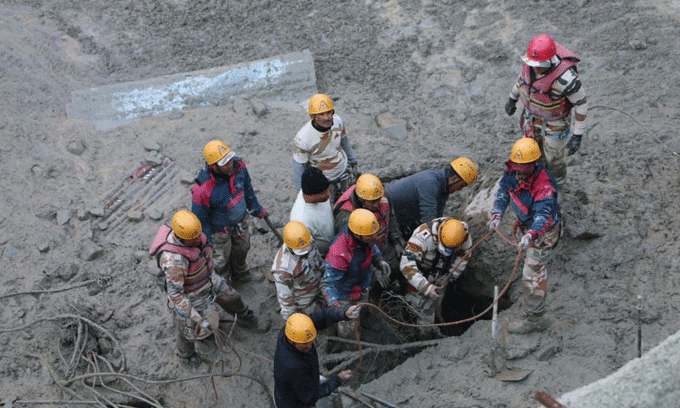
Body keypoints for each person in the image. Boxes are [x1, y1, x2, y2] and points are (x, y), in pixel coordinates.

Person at [149, 210, 258, 365]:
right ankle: (186, 355)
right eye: (192, 239)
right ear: (180, 237)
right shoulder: (174, 261)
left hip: (209, 280)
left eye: (197, 236)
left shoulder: (197, 235)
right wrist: (198, 319)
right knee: (186, 326)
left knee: (232, 297)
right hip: (190, 294)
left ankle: (245, 317)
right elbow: (176, 296)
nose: (197, 240)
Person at [488, 138, 562, 334]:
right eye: (516, 168)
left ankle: (535, 318)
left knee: (532, 274)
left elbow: (543, 215)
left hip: (543, 232)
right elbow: (504, 190)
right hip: (528, 222)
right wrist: (497, 213)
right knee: (531, 268)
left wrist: (531, 234)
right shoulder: (512, 170)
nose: (519, 173)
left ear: (535, 163)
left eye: (523, 169)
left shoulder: (544, 186)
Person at [505, 34, 588, 184]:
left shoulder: (566, 79)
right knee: (530, 150)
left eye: (539, 64)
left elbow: (581, 103)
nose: (535, 68)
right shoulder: (528, 67)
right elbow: (521, 81)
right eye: (533, 63)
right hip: (530, 117)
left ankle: (558, 182)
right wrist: (512, 99)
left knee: (553, 157)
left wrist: (577, 135)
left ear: (550, 61)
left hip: (555, 124)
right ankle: (534, 179)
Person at [191, 140, 269, 284]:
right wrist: (207, 243)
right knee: (220, 261)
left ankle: (241, 274)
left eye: (230, 159)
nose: (230, 165)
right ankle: (224, 284)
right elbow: (200, 220)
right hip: (218, 231)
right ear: (213, 166)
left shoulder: (239, 167)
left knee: (242, 249)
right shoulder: (202, 189)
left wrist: (257, 209)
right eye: (224, 163)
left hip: (240, 221)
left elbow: (248, 189)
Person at [273, 306, 360, 408]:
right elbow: (311, 397)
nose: (309, 346)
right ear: (291, 340)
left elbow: (320, 318)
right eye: (304, 343)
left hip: (295, 387)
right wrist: (338, 379)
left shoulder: (291, 331)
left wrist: (344, 313)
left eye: (311, 341)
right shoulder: (293, 366)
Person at [322, 208, 390, 337]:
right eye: (370, 236)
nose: (374, 237)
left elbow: (372, 246)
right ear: (357, 235)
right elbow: (328, 285)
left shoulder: (366, 236)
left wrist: (379, 260)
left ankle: (364, 325)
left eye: (374, 233)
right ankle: (349, 344)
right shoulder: (338, 253)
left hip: (361, 286)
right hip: (344, 295)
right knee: (349, 331)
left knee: (364, 313)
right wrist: (340, 309)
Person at [384, 157, 477, 240]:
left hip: (399, 213)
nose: (460, 189)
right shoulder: (430, 183)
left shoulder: (443, 186)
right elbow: (428, 221)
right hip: (384, 207)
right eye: (461, 185)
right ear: (454, 179)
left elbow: (437, 217)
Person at [333, 173, 404, 274]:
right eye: (372, 202)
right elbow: (348, 250)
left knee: (404, 265)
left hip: (385, 246)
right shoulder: (346, 217)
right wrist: (373, 269)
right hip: (365, 257)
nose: (377, 205)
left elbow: (391, 217)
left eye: (378, 200)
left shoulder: (380, 195)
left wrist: (397, 241)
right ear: (360, 199)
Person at [293, 93, 358, 200]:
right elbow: (299, 169)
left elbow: (344, 141)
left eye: (329, 112)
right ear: (312, 116)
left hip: (343, 171)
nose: (327, 117)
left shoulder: (337, 121)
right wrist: (301, 196)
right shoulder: (302, 139)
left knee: (348, 201)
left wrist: (353, 161)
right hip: (323, 181)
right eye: (321, 114)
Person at [400, 218, 473, 301]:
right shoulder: (421, 237)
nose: (448, 251)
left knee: (436, 301)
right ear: (439, 236)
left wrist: (450, 276)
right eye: (445, 247)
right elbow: (406, 266)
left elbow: (464, 255)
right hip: (420, 273)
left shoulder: (462, 235)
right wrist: (426, 287)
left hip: (441, 273)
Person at [271, 221, 326, 320]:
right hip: (305, 300)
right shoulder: (283, 270)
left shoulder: (306, 239)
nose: (305, 253)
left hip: (321, 284)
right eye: (301, 252)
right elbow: (286, 300)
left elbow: (320, 263)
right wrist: (293, 320)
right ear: (290, 247)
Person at [290, 167, 335, 256]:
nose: (328, 194)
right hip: (324, 253)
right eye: (323, 193)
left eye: (327, 190)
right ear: (309, 196)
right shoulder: (301, 220)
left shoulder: (313, 189)